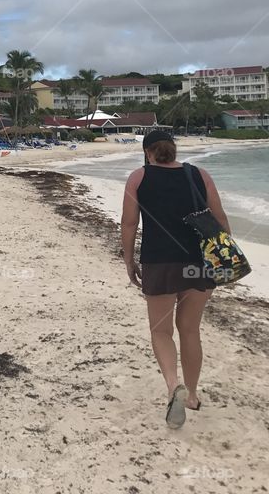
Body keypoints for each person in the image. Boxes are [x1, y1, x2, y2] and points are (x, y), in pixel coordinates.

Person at [121, 130, 230, 429]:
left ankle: (173, 386)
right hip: (198, 263)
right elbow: (220, 220)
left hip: (159, 262)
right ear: (174, 149)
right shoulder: (200, 175)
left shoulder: (138, 178)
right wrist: (223, 256)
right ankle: (192, 395)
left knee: (161, 332)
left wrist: (129, 260)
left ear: (147, 152)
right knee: (190, 330)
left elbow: (129, 223)